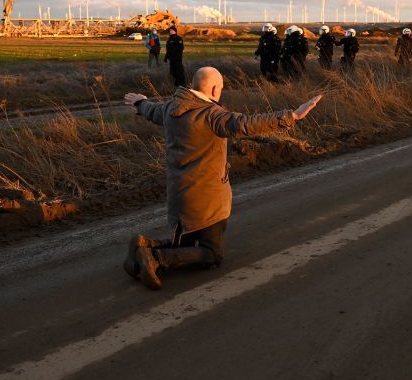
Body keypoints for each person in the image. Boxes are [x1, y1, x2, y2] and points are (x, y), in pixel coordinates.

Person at [122, 67, 322, 290]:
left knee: (186, 241)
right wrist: (291, 116)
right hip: (207, 195)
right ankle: (155, 259)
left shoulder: (172, 107)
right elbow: (246, 123)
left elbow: (152, 111)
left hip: (180, 192)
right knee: (211, 254)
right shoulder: (211, 115)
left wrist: (140, 103)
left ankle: (145, 247)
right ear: (215, 89)